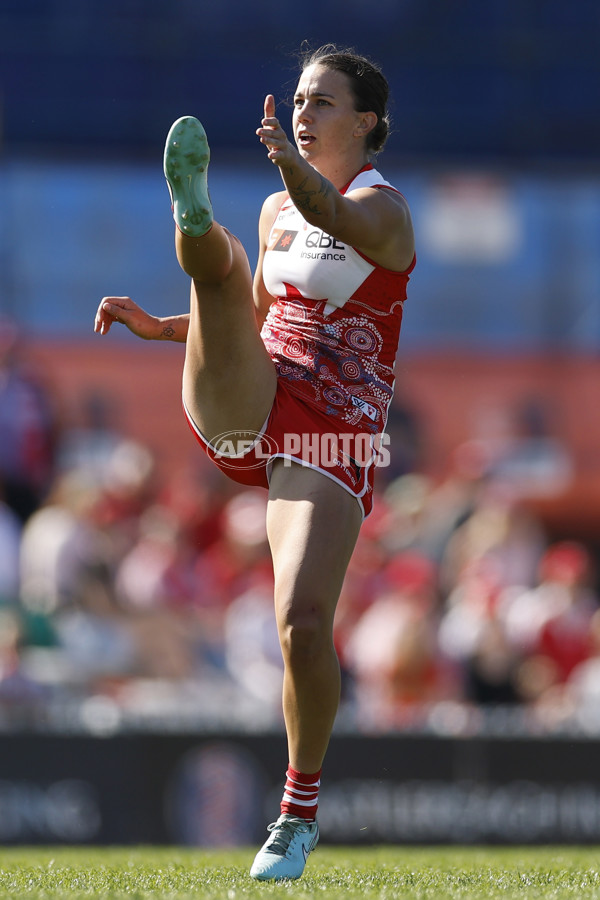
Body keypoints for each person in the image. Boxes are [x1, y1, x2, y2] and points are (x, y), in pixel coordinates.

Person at [94, 43, 415, 881]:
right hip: (250, 400)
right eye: (299, 100)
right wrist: (158, 329)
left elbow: (335, 221)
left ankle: (296, 813)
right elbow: (255, 316)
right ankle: (191, 221)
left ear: (367, 121)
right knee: (230, 265)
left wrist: (290, 170)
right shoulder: (281, 207)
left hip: (330, 435)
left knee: (303, 626)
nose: (304, 114)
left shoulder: (386, 209)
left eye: (323, 103)